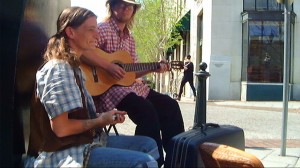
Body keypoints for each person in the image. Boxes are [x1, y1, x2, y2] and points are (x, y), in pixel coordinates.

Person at [26, 7, 159, 168]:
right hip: (63, 154)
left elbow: (78, 117)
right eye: (91, 30)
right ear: (71, 32)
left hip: (86, 140)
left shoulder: (74, 68)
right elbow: (61, 128)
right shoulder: (59, 69)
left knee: (149, 144)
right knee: (145, 162)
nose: (96, 35)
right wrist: (100, 120)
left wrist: (105, 116)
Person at [82, 0, 185, 166]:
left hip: (129, 88)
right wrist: (108, 66)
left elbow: (131, 73)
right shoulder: (102, 29)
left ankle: (177, 161)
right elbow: (83, 52)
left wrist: (153, 68)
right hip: (107, 90)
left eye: (130, 5)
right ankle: (152, 162)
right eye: (121, 4)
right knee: (146, 110)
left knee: (170, 105)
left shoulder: (130, 39)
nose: (126, 8)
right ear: (112, 6)